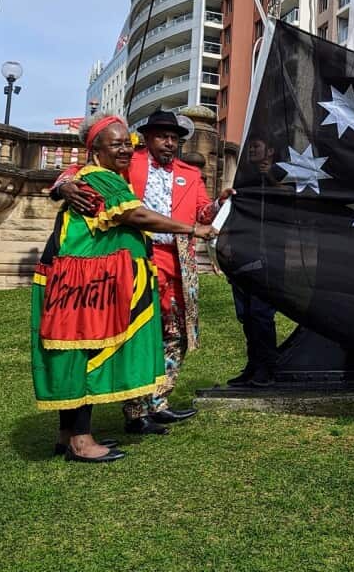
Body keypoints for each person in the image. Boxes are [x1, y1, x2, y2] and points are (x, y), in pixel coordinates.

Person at [31, 114, 218, 462]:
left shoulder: (183, 173)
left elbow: (202, 209)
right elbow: (135, 213)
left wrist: (217, 207)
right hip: (87, 280)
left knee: (157, 338)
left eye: (124, 143)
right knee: (85, 352)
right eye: (117, 144)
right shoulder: (110, 173)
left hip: (97, 274)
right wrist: (63, 184)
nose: (124, 149)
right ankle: (87, 437)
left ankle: (74, 433)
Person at [226, 137, 285, 387]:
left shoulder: (281, 173)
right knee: (247, 315)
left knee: (261, 314)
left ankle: (268, 368)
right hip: (243, 254)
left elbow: (291, 198)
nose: (251, 150)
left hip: (268, 255)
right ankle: (253, 365)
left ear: (270, 150)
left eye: (256, 146)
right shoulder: (245, 177)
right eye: (249, 147)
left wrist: (270, 176)